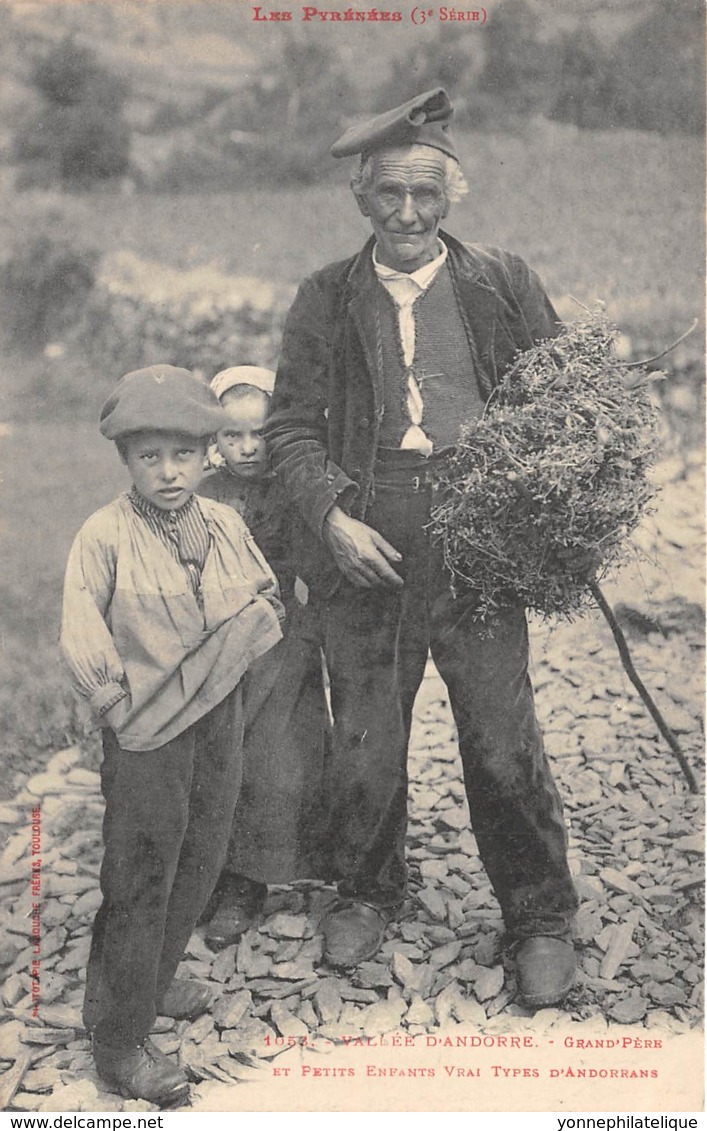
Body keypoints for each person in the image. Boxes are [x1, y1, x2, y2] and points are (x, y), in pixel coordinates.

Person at [264, 88, 579, 1009]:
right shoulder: (325, 297)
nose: (407, 215)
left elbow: (560, 409)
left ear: (453, 198)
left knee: (498, 733)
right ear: (361, 197)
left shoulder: (501, 282)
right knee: (365, 732)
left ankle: (539, 916)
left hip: (475, 537)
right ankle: (365, 890)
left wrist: (541, 508)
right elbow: (289, 428)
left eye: (425, 196)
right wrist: (329, 518)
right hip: (368, 537)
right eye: (389, 195)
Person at [60, 365, 284, 1105]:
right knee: (140, 874)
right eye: (149, 455)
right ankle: (119, 1038)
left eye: (183, 454)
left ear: (207, 454)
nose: (168, 471)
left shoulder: (224, 524)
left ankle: (148, 983)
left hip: (216, 715)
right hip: (146, 732)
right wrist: (115, 705)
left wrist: (231, 662)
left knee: (202, 851)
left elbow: (261, 597)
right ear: (126, 459)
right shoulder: (103, 535)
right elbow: (84, 632)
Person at [198, 366, 330, 947]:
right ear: (214, 440)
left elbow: (319, 560)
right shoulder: (201, 494)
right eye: (232, 436)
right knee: (216, 754)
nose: (248, 447)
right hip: (216, 642)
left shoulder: (294, 488)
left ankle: (250, 878)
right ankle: (206, 871)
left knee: (273, 759)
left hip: (281, 641)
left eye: (258, 433)